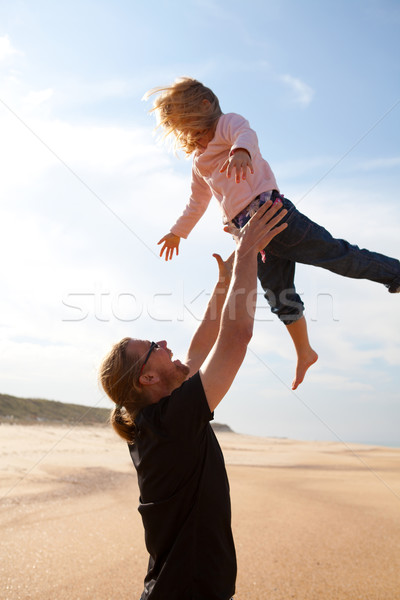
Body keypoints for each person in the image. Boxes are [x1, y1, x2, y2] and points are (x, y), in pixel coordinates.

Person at [145, 77, 400, 390]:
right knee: (279, 296)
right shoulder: (199, 163)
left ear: (205, 106)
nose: (189, 135)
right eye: (183, 131)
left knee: (338, 256)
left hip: (276, 219)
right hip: (253, 239)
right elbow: (197, 202)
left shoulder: (227, 126)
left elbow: (246, 133)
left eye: (190, 125)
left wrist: (241, 152)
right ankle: (305, 352)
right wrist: (177, 232)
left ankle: (395, 273)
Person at [99, 200, 287, 600]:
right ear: (148, 377)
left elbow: (200, 348)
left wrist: (222, 289)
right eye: (154, 346)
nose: (165, 343)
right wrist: (249, 251)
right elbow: (236, 339)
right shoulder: (169, 423)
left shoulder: (157, 419)